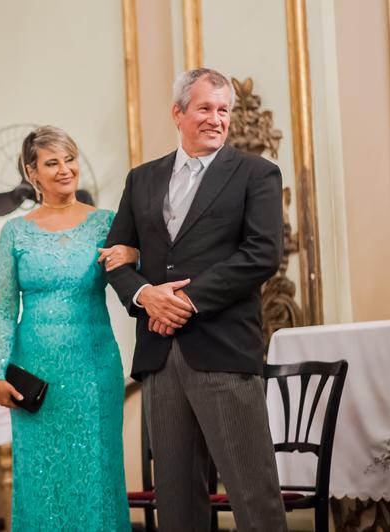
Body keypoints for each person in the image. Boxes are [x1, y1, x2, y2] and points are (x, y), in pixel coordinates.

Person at [105, 67, 288, 531]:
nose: (216, 119)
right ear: (178, 113)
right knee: (177, 503)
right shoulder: (141, 179)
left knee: (253, 494)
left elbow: (262, 255)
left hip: (223, 350)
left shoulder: (256, 173)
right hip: (160, 356)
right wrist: (146, 296)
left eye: (223, 110)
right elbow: (115, 258)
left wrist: (182, 302)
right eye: (205, 108)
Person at [0, 126, 136, 531]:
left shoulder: (107, 224)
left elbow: (133, 277)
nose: (65, 169)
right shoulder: (14, 232)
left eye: (70, 159)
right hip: (34, 377)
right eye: (52, 162)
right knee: (40, 479)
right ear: (32, 172)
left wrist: (134, 251)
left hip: (93, 371)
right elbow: (2, 308)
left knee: (97, 473)